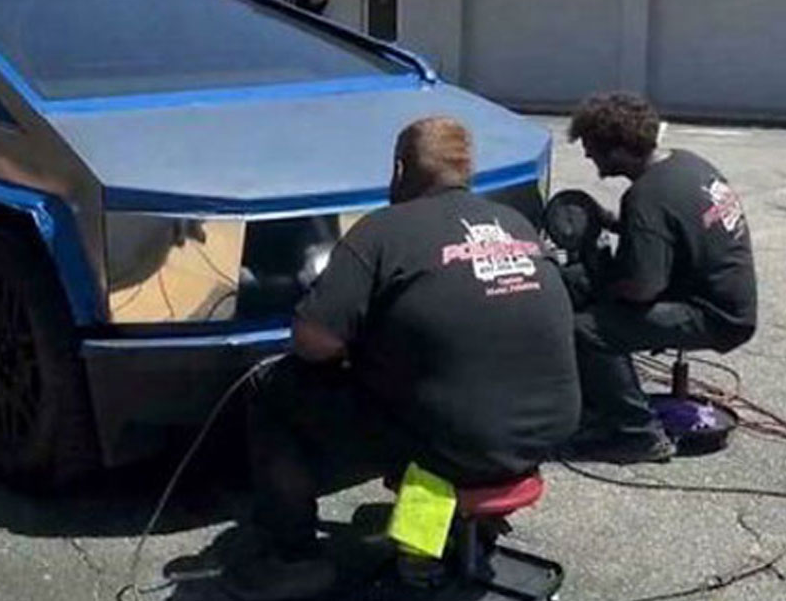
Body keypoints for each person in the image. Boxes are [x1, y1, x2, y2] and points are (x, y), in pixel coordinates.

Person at [222, 117, 581, 601]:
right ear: (466, 170)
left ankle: (293, 558)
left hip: (457, 441)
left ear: (398, 169)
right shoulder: (513, 223)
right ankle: (455, 535)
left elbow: (313, 341)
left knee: (271, 390)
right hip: (549, 430)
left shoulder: (382, 231)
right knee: (444, 401)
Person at [563, 92, 757, 464]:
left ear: (618, 149)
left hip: (716, 316)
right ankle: (601, 400)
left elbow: (642, 288)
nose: (587, 154)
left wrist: (604, 287)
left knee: (585, 330)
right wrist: (610, 222)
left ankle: (638, 434)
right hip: (723, 295)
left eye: (591, 146)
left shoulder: (645, 197)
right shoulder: (686, 164)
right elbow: (673, 227)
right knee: (576, 285)